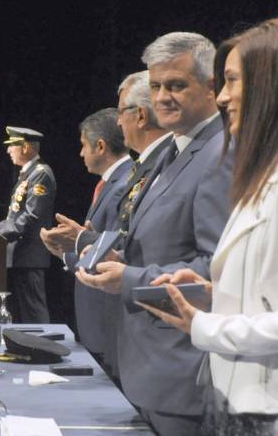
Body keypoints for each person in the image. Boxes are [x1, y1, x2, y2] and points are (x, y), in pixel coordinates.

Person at [139, 18, 278, 435]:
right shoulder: (274, 173)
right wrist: (214, 294)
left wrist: (205, 326)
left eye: (233, 81)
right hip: (246, 402)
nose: (222, 97)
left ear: (273, 86)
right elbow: (274, 288)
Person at [76, 32, 233, 435]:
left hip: (182, 373)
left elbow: (218, 269)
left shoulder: (220, 153)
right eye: (157, 85)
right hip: (150, 367)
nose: (163, 97)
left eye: (176, 85)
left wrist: (129, 278)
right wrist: (118, 259)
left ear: (211, 86)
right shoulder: (172, 149)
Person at [45, 108, 131, 362]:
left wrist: (80, 238)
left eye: (84, 145)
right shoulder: (112, 182)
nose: (81, 153)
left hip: (107, 313)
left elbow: (114, 251)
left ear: (100, 146)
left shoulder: (124, 184)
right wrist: (67, 253)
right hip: (98, 313)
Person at [0, 126, 56, 323]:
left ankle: (42, 342)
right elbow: (14, 216)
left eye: (12, 145)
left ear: (26, 147)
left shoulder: (41, 173)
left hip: (30, 256)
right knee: (22, 313)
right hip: (19, 254)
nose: (8, 150)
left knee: (34, 311)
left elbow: (30, 215)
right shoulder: (28, 174)